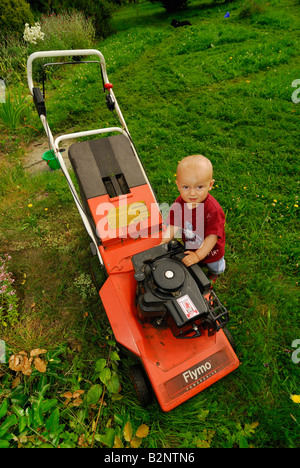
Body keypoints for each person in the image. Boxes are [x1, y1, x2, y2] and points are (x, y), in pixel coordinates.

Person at [160, 155, 226, 279]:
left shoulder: (213, 210)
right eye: (186, 187)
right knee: (191, 260)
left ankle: (216, 273)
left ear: (210, 185)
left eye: (199, 187)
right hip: (191, 243)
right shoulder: (179, 203)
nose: (192, 193)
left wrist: (198, 256)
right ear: (178, 185)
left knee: (214, 265)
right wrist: (164, 241)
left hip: (211, 251)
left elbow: (212, 237)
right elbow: (174, 224)